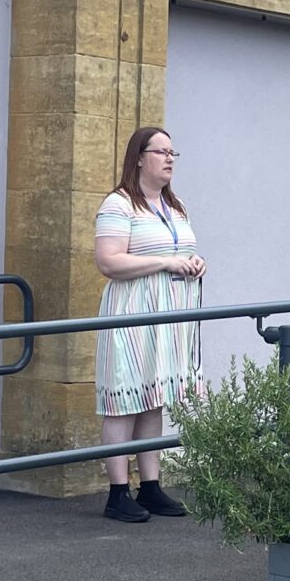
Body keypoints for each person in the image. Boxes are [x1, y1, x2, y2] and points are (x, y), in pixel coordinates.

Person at [94, 126, 204, 523]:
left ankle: (152, 486)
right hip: (131, 312)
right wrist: (165, 262)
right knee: (124, 399)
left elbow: (182, 251)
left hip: (168, 314)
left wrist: (194, 263)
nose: (170, 159)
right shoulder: (119, 204)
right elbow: (109, 261)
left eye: (174, 152)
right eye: (161, 152)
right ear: (140, 157)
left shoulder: (176, 207)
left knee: (153, 397)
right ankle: (118, 492)